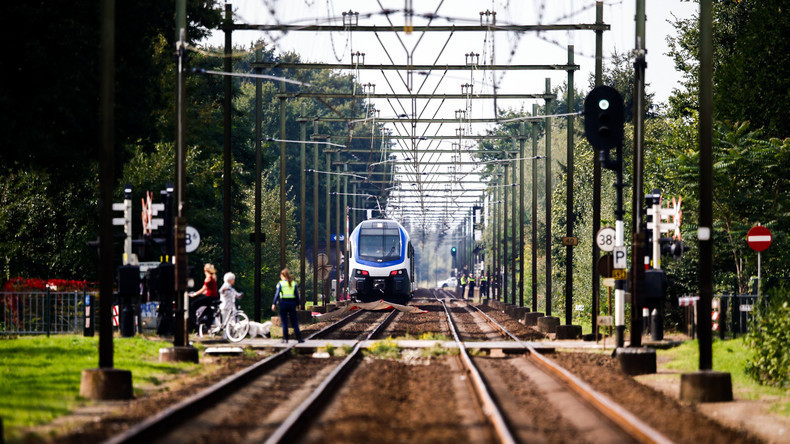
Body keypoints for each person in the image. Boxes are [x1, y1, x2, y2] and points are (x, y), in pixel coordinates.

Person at [271, 268, 303, 343]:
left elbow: (277, 294)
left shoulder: (281, 283)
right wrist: (298, 304)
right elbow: (296, 295)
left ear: (282, 275)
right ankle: (299, 338)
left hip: (283, 303)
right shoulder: (293, 283)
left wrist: (274, 303)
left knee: (284, 322)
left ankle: (285, 339)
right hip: (292, 303)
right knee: (294, 321)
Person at [189, 263, 218, 331]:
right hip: (214, 297)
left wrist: (194, 294)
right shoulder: (213, 277)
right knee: (207, 309)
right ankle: (207, 322)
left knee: (193, 304)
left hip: (209, 297)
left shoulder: (208, 278)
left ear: (205, 271)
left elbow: (203, 289)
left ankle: (195, 322)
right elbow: (209, 289)